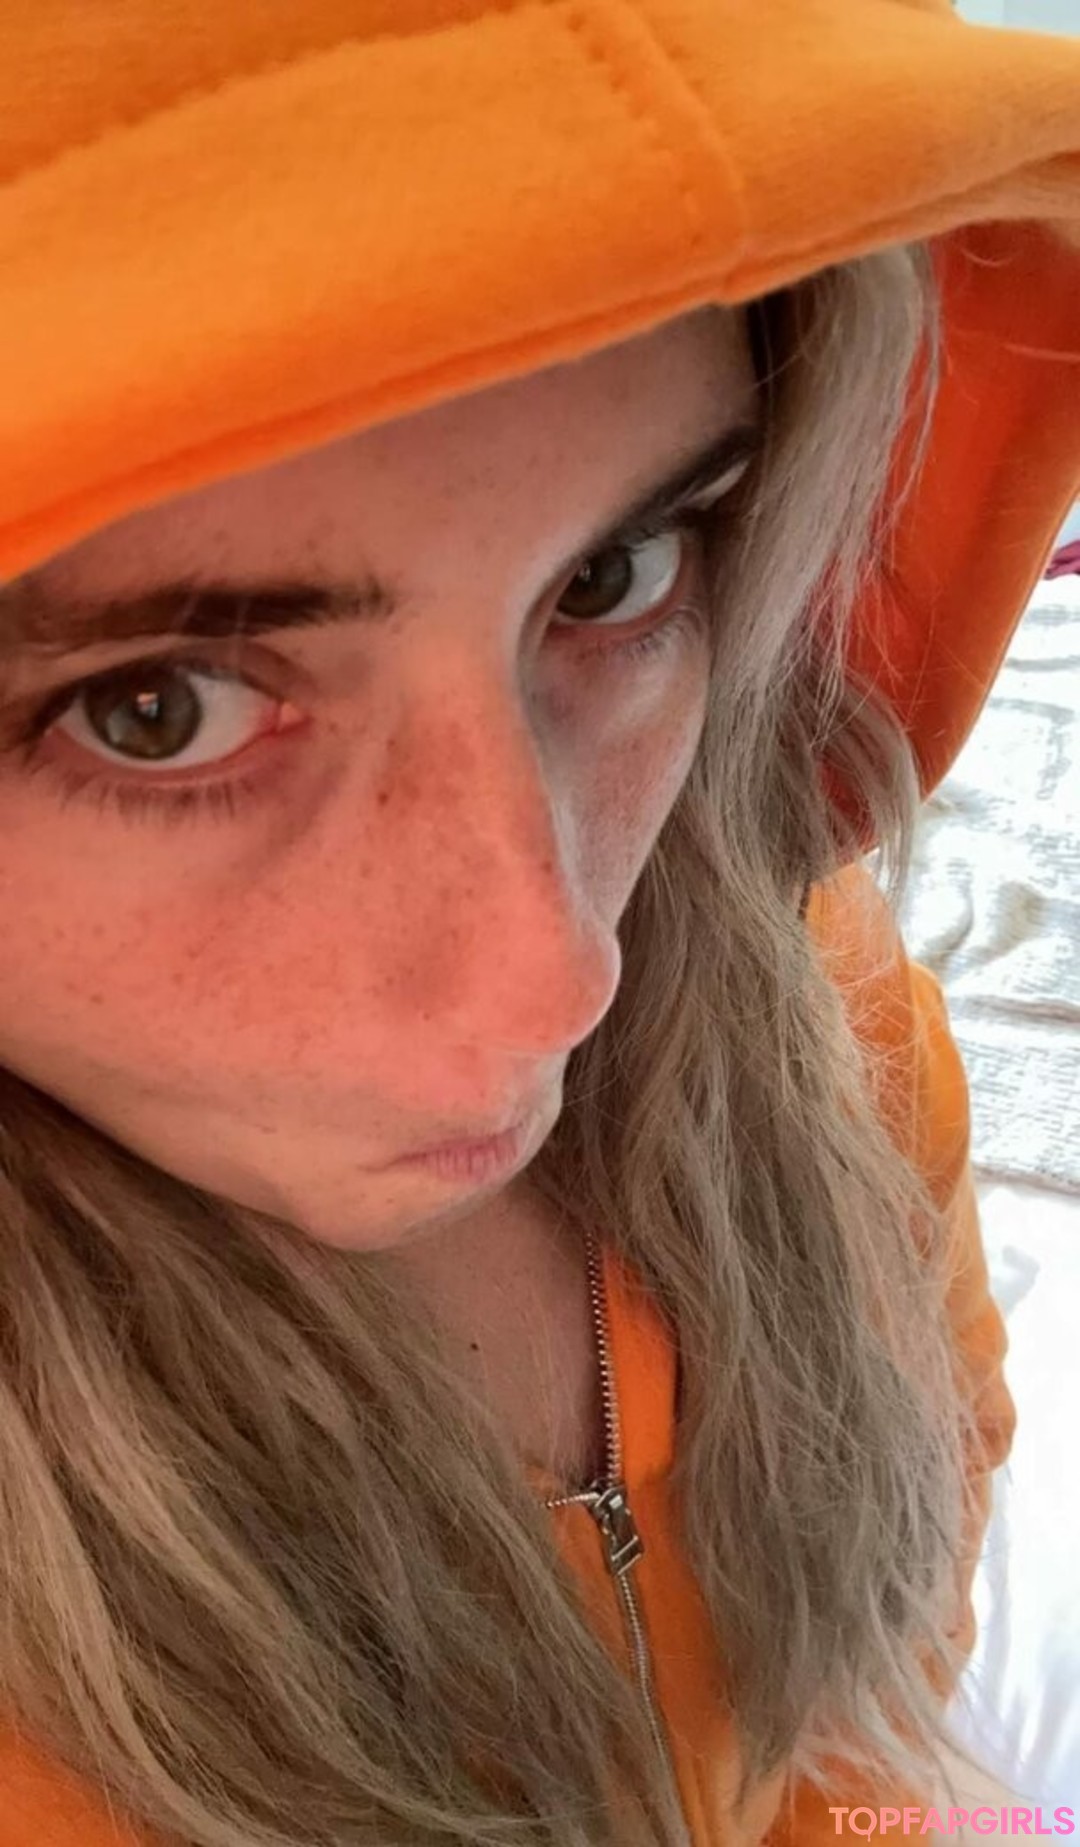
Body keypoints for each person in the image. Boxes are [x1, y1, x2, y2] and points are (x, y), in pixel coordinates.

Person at [0, 4, 1076, 1845]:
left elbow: (884, 1655)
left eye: (614, 575)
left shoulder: (815, 1004)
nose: (565, 976)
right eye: (154, 710)